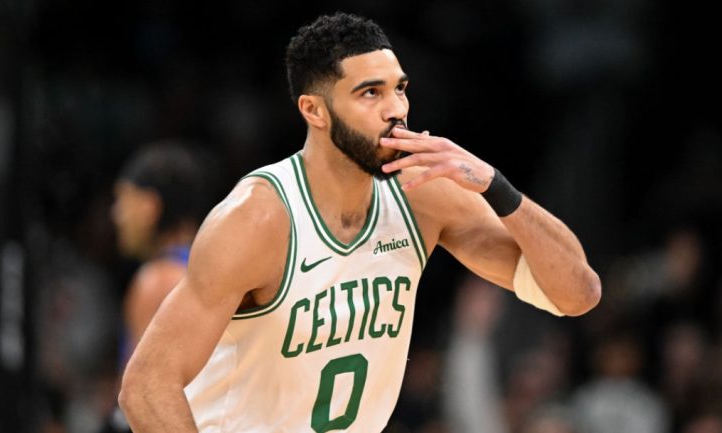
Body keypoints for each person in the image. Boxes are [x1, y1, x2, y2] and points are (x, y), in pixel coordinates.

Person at [118, 12, 601, 433]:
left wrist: (498, 186)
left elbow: (577, 294)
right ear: (314, 110)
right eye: (370, 93)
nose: (396, 109)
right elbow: (145, 387)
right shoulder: (257, 219)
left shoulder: (425, 193)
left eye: (399, 89)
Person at [101, 143, 205, 433]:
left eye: (123, 200)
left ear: (149, 207)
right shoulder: (210, 271)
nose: (116, 214)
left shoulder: (156, 282)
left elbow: (141, 398)